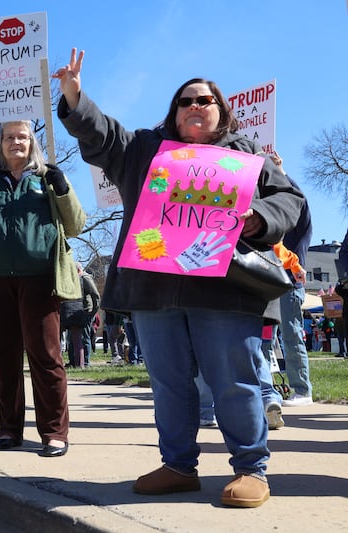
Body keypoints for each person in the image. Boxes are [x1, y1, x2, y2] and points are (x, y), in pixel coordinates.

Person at [54, 48, 304, 506]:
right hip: (155, 289)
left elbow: (291, 201)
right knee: (168, 383)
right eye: (186, 100)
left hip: (226, 290)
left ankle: (251, 469)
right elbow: (104, 137)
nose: (195, 105)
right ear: (174, 110)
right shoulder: (146, 148)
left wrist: (259, 218)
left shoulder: (249, 155)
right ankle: (178, 466)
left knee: (234, 380)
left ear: (221, 111)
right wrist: (75, 97)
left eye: (205, 100)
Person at [0, 122, 86, 456]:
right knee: (4, 358)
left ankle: (55, 432)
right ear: (0, 144)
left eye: (22, 137)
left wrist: (62, 188)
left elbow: (76, 224)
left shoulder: (47, 179)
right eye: (9, 137)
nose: (16, 142)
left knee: (45, 356)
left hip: (41, 280)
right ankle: (9, 429)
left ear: (32, 143)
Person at [267, 154, 315, 407]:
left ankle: (302, 389)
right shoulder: (273, 228)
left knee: (290, 335)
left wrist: (282, 174)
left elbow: (300, 201)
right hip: (267, 283)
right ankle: (265, 389)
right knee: (263, 339)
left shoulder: (300, 229)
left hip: (288, 283)